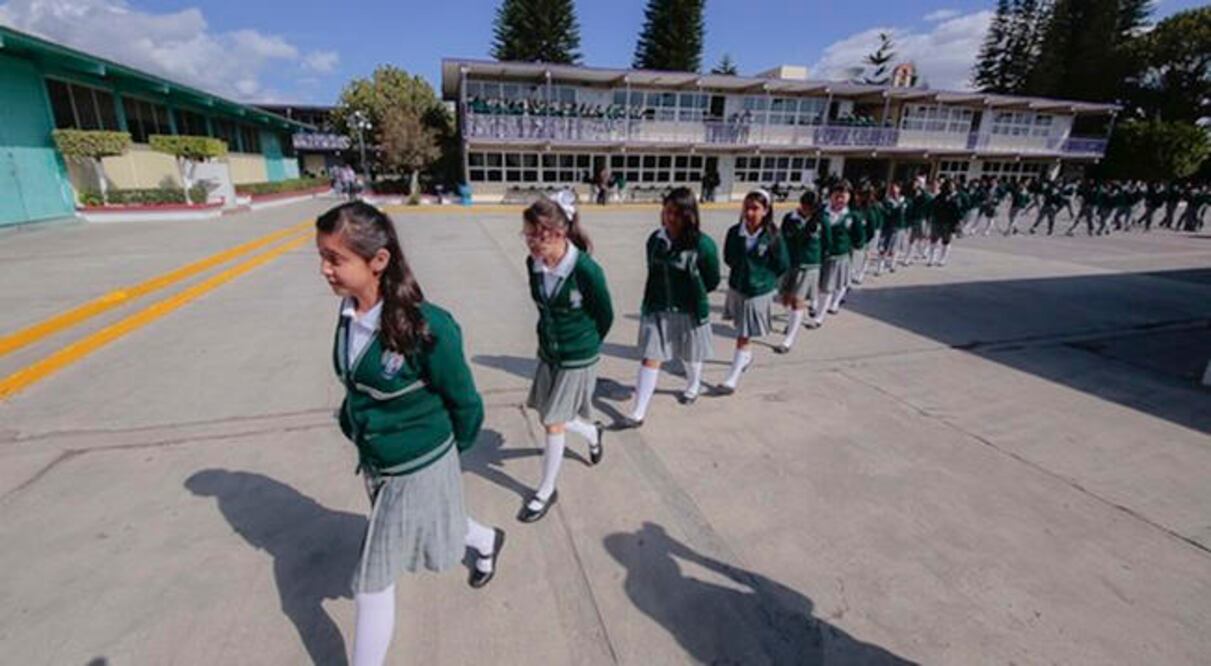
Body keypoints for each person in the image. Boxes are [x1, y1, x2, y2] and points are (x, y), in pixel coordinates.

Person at [315, 201, 505, 666]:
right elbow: (356, 386)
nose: (324, 269)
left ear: (378, 261)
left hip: (418, 464)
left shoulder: (427, 326)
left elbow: (465, 403)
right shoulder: (348, 317)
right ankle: (486, 541)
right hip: (381, 464)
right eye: (321, 256)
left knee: (373, 579)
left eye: (336, 259)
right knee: (437, 523)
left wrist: (440, 459)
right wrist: (354, 424)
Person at [519, 191, 613, 523]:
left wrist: (585, 346)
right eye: (527, 235)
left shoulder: (585, 269)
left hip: (577, 356)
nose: (531, 242)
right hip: (549, 352)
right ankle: (591, 433)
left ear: (559, 233)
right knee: (549, 413)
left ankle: (546, 490)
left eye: (537, 235)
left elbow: (605, 314)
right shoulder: (534, 265)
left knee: (552, 422)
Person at [623, 187, 721, 425]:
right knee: (650, 357)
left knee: (690, 355)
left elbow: (712, 279)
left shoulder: (703, 244)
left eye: (676, 213)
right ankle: (638, 412)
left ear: (690, 215)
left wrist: (693, 293)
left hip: (689, 309)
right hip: (658, 307)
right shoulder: (655, 240)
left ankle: (693, 384)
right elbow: (653, 270)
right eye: (666, 212)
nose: (670, 218)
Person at [718, 189, 789, 395]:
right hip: (737, 287)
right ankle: (746, 357)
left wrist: (763, 278)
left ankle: (732, 379)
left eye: (755, 208)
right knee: (741, 329)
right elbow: (729, 257)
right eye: (746, 208)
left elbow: (782, 264)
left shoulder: (773, 236)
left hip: (757, 291)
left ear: (766, 210)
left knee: (743, 334)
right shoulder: (734, 232)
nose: (749, 213)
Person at [775, 190, 826, 352]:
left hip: (809, 266)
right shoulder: (790, 219)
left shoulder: (821, 221)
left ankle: (788, 340)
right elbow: (781, 239)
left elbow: (827, 244)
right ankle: (791, 322)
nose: (809, 210)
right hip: (791, 264)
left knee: (798, 301)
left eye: (813, 208)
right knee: (786, 299)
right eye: (807, 207)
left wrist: (819, 264)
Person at [814, 181, 856, 326]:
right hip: (818, 255)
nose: (839, 200)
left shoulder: (852, 216)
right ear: (830, 196)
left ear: (849, 197)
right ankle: (815, 305)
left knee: (828, 286)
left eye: (843, 197)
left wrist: (849, 247)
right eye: (836, 196)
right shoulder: (820, 212)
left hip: (837, 257)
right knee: (817, 285)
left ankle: (819, 316)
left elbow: (860, 236)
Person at [927, 179, 962, 267]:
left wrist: (957, 223)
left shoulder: (957, 197)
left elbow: (958, 211)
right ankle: (931, 258)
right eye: (950, 185)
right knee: (933, 240)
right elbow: (933, 205)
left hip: (948, 222)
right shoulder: (940, 195)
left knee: (946, 241)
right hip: (938, 220)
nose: (951, 187)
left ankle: (942, 259)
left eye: (953, 186)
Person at [877, 181, 908, 273]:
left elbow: (908, 213)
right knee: (883, 247)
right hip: (887, 227)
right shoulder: (886, 201)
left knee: (895, 248)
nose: (893, 190)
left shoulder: (904, 200)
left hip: (899, 227)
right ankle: (880, 268)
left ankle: (892, 265)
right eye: (891, 189)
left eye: (895, 188)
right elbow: (886, 213)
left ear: (899, 189)